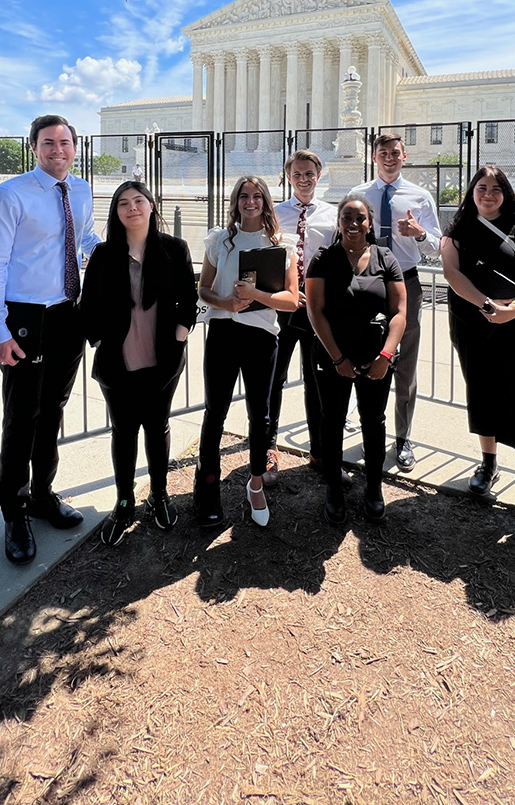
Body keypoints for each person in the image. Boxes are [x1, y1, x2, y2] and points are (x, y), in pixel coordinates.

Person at [0, 114, 101, 565]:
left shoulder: (83, 189)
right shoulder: (11, 195)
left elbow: (84, 237)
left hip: (67, 313)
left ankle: (43, 494)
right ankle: (14, 512)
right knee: (21, 416)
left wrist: (114, 253)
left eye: (65, 142)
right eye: (49, 142)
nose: (59, 150)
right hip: (24, 316)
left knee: (53, 408)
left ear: (75, 146)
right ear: (34, 147)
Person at [440, 166, 515, 542]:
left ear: (506, 193)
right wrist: (488, 305)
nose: (488, 194)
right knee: (482, 392)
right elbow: (453, 275)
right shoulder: (457, 228)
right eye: (481, 188)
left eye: (495, 189)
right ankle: (488, 464)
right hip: (473, 323)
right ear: (472, 192)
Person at [79, 182, 198, 547]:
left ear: (151, 205)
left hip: (162, 354)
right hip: (119, 357)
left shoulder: (173, 248)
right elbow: (89, 303)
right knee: (124, 430)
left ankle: (158, 493)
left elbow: (188, 297)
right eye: (123, 204)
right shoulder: (104, 253)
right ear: (116, 212)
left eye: (139, 201)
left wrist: (181, 332)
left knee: (157, 424)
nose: (132, 208)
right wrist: (97, 337)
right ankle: (124, 500)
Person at [194, 176, 299, 528]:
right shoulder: (220, 241)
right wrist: (225, 301)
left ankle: (256, 484)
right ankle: (207, 488)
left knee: (261, 414)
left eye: (256, 196)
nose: (250, 202)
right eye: (243, 196)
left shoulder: (281, 245)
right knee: (215, 411)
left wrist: (257, 297)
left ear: (266, 202)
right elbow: (203, 290)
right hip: (223, 333)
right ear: (235, 201)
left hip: (261, 337)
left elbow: (291, 300)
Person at [305, 196, 406, 524]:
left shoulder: (385, 257)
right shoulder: (324, 258)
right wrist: (337, 359)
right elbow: (315, 311)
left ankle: (374, 489)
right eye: (346, 217)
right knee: (331, 422)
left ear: (370, 223)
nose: (353, 223)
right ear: (338, 222)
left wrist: (385, 355)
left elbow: (400, 313)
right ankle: (334, 491)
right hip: (333, 357)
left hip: (376, 357)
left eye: (360, 218)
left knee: (373, 422)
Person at [351, 132, 441, 471]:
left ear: (404, 157)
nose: (389, 158)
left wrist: (419, 234)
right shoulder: (359, 195)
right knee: (365, 353)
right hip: (368, 281)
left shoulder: (419, 196)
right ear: (374, 157)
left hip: (406, 281)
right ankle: (368, 426)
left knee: (406, 362)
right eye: (383, 153)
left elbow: (437, 243)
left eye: (395, 153)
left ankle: (403, 438)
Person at [265, 150, 338, 486]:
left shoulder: (333, 215)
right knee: (273, 378)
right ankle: (268, 448)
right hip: (282, 309)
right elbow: (267, 258)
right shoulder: (276, 214)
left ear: (318, 176)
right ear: (289, 177)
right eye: (298, 174)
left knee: (316, 381)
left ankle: (320, 451)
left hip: (316, 310)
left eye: (310, 173)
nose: (304, 179)